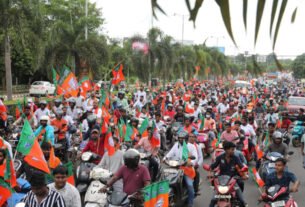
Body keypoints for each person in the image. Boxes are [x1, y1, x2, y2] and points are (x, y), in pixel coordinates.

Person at [209, 141, 248, 207]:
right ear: (226, 150)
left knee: (242, 200)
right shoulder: (220, 157)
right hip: (221, 181)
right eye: (232, 149)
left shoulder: (236, 158)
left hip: (233, 181)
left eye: (234, 150)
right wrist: (210, 172)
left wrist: (245, 174)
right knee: (213, 200)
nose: (233, 151)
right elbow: (212, 166)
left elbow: (242, 167)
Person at [164, 132, 198, 207]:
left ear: (186, 139)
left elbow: (195, 157)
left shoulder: (191, 146)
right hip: (176, 168)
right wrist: (165, 158)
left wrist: (191, 162)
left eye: (182, 139)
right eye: (179, 138)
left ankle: (190, 203)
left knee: (189, 185)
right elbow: (170, 153)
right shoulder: (176, 145)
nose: (180, 140)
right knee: (165, 180)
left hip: (186, 169)